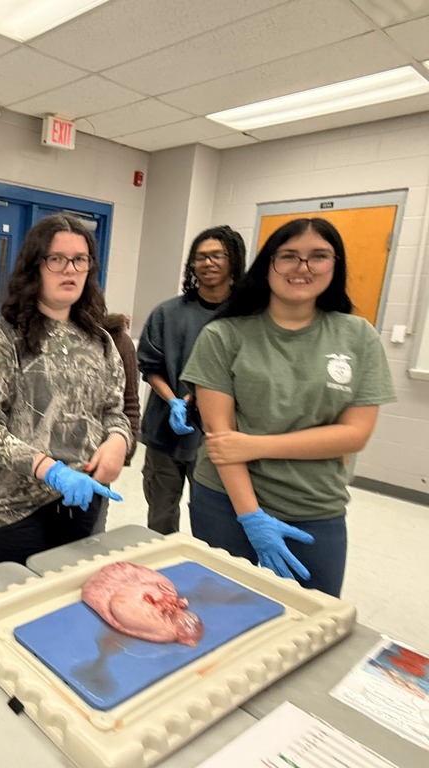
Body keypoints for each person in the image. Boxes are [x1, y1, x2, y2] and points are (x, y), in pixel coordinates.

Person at [183, 218, 395, 597]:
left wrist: (257, 445)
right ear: (268, 265)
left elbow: (354, 435)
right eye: (289, 256)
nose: (303, 267)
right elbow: (222, 442)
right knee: (221, 618)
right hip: (227, 501)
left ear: (336, 265)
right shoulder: (224, 335)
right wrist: (250, 517)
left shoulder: (359, 337)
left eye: (319, 256)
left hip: (314, 506)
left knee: (312, 623)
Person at [0, 213, 131, 568]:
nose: (70, 269)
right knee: (18, 613)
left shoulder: (100, 340)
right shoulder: (0, 338)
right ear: (35, 267)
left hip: (82, 500)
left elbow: (115, 411)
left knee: (72, 606)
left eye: (80, 259)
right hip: (11, 509)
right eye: (57, 259)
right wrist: (50, 469)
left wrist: (118, 441)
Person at [137, 225, 246, 534]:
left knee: (212, 518)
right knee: (160, 516)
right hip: (165, 432)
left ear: (234, 260)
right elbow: (150, 365)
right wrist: (172, 399)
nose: (207, 263)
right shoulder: (168, 313)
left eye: (216, 256)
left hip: (216, 436)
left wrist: (200, 399)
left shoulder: (245, 318)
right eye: (200, 257)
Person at [102, 312, 141, 466]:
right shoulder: (24, 336)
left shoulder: (115, 339)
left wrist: (122, 447)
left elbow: (129, 401)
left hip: (93, 462)